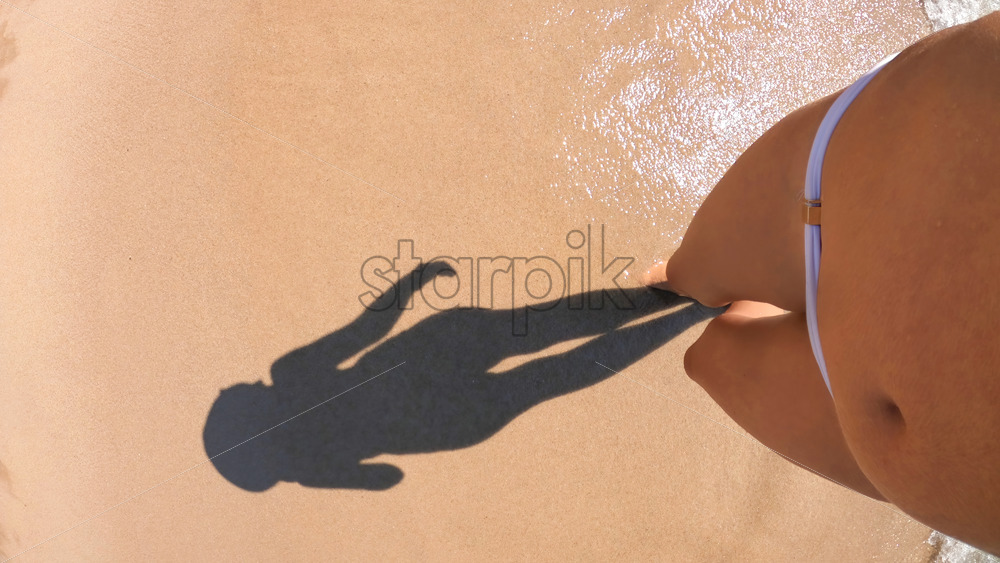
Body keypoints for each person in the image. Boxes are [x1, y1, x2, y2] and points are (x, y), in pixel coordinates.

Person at [642, 11, 1000, 554]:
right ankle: (696, 285)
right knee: (690, 273)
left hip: (892, 431)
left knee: (709, 359)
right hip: (857, 167)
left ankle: (769, 299)